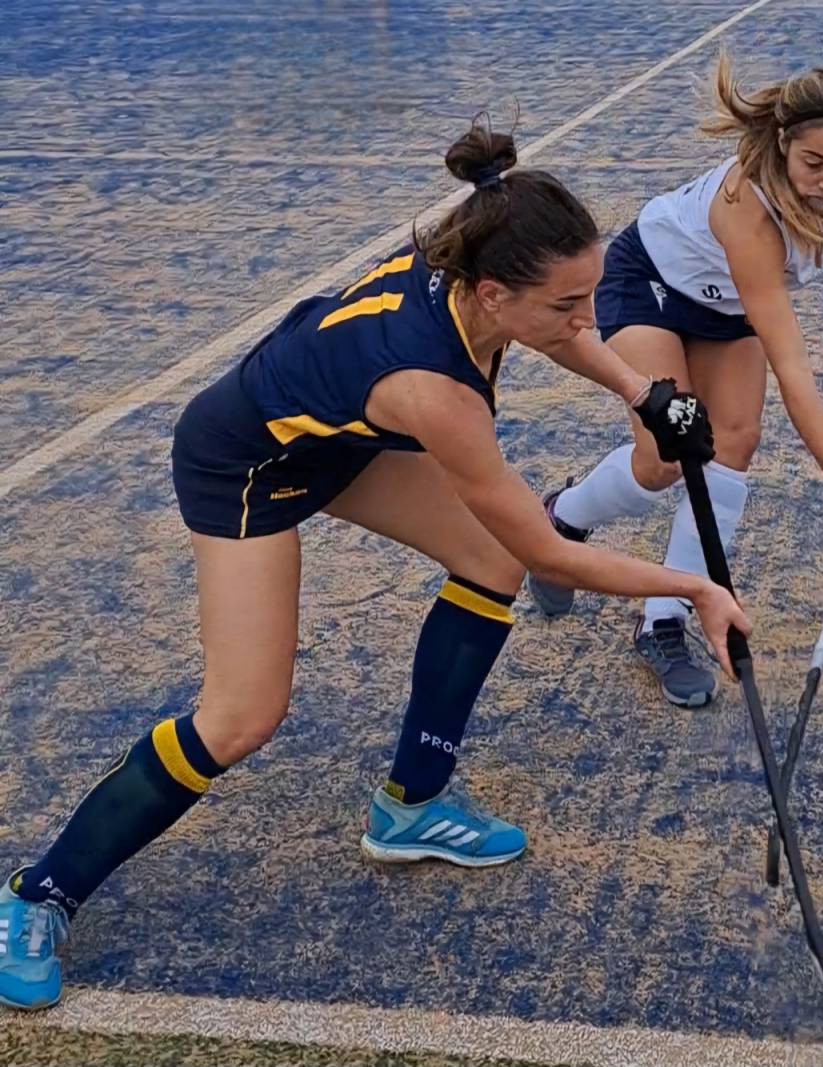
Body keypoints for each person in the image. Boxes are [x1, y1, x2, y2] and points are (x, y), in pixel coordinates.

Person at [0, 122, 749, 1011]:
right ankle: (37, 895)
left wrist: (646, 395)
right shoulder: (434, 391)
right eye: (565, 304)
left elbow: (561, 333)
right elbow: (551, 549)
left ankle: (412, 805)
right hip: (246, 462)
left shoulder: (481, 251)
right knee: (241, 716)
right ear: (491, 294)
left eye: (592, 296)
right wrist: (695, 584)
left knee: (486, 563)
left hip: (334, 432)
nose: (588, 322)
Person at [527, 57, 823, 708]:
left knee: (734, 438)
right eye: (816, 162)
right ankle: (559, 521)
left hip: (725, 307)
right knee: (665, 459)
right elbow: (790, 360)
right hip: (650, 282)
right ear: (785, 141)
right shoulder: (746, 207)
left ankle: (663, 617)